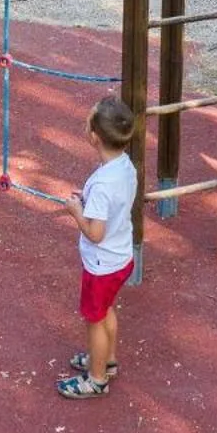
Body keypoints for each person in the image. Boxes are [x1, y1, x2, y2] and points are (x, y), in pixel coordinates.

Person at [57, 96, 138, 399]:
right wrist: (90, 203)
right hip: (120, 258)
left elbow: (95, 233)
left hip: (102, 264)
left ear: (94, 137)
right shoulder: (124, 167)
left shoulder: (104, 184)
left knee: (94, 320)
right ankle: (108, 360)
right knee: (105, 311)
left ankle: (96, 377)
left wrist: (77, 212)